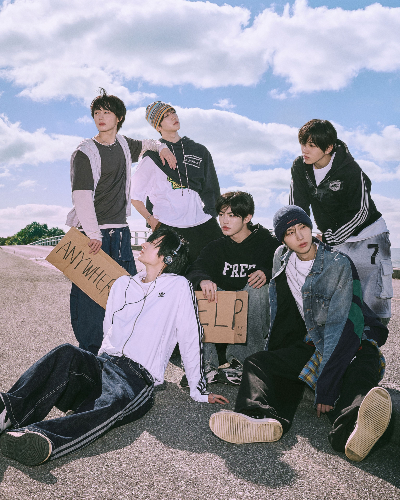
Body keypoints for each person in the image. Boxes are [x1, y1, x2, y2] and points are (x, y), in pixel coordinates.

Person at [0, 228, 228, 467]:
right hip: (104, 364)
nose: (145, 244)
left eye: (153, 242)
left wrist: (198, 390)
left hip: (135, 377)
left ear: (168, 257)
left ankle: (38, 437)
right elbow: (108, 327)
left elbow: (191, 337)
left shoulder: (178, 287)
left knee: (113, 400)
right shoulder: (122, 284)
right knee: (66, 353)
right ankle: (8, 411)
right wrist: (96, 365)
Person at [209, 205, 392, 463]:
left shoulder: (338, 264)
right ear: (283, 239)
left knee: (356, 378)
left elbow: (342, 326)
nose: (299, 236)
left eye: (303, 227)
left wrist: (325, 387)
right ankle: (258, 416)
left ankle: (354, 430)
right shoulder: (281, 258)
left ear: (310, 227)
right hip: (313, 342)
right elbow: (283, 312)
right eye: (290, 232)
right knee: (258, 363)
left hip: (353, 340)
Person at [66, 89, 177, 355]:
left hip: (120, 233)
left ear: (119, 118)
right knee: (89, 300)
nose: (100, 117)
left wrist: (163, 147)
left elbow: (149, 143)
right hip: (93, 234)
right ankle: (90, 357)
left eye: (106, 112)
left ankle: (120, 352)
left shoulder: (125, 145)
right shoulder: (85, 152)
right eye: (96, 113)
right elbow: (81, 196)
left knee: (125, 293)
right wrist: (93, 234)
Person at [289, 119, 393, 325]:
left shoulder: (350, 169)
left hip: (369, 236)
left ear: (328, 147)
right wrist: (297, 234)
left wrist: (330, 238)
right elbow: (297, 208)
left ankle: (374, 344)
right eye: (302, 144)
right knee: (337, 302)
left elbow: (361, 213)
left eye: (311, 145)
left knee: (374, 303)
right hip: (335, 240)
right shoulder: (300, 167)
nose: (304, 150)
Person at [186, 191, 279, 385]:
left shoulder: (267, 243)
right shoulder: (216, 247)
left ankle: (244, 362)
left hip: (255, 317)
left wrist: (267, 273)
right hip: (224, 318)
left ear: (247, 218)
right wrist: (203, 280)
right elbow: (196, 269)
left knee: (257, 287)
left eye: (232, 215)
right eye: (221, 214)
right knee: (202, 289)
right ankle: (206, 365)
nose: (224, 221)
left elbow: (285, 267)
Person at [131, 101, 222, 268]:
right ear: (158, 126)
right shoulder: (152, 156)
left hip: (200, 224)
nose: (173, 116)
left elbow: (211, 189)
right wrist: (151, 220)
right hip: (168, 226)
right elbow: (134, 195)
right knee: (170, 277)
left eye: (173, 112)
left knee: (216, 267)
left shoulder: (199, 151)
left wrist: (210, 215)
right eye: (166, 116)